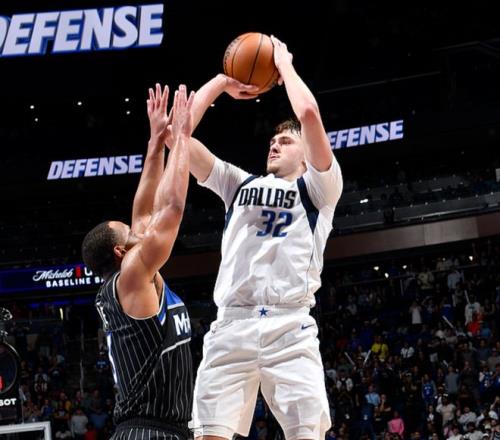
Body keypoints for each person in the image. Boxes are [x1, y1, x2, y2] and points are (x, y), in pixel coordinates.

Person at [181, 36, 343, 440]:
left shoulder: (319, 189)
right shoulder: (236, 182)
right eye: (272, 141)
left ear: (306, 154)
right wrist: (222, 82)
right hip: (231, 324)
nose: (274, 144)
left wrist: (284, 64)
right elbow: (176, 138)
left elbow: (308, 113)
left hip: (290, 327)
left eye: (285, 141)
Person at [81, 84, 195, 440]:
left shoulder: (130, 278)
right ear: (120, 252)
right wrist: (183, 138)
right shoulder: (132, 275)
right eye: (130, 233)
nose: (138, 230)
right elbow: (172, 208)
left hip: (160, 429)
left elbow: (145, 212)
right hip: (148, 431)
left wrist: (156, 141)